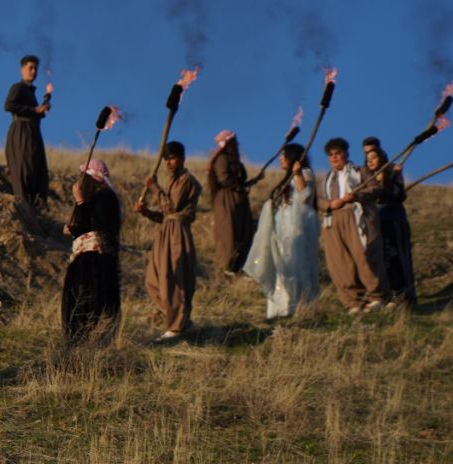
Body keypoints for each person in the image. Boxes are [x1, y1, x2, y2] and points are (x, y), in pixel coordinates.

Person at [243, 143, 321, 319]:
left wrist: (298, 174)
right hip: (283, 227)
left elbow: (306, 195)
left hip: (298, 227)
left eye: (283, 155)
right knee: (282, 265)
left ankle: (296, 306)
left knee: (297, 265)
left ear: (292, 157)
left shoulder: (305, 173)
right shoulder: (287, 178)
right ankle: (279, 309)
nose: (280, 159)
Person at [135, 141, 202, 342]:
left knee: (174, 276)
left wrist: (155, 188)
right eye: (166, 159)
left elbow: (172, 208)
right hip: (165, 231)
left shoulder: (187, 181)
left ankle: (177, 326)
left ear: (182, 158)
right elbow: (166, 215)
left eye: (172, 158)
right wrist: (146, 212)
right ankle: (179, 317)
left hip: (177, 233)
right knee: (154, 279)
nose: (168, 163)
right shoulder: (173, 181)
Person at [320, 137, 389, 313]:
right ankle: (353, 302)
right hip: (333, 220)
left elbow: (375, 188)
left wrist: (357, 196)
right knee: (340, 262)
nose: (334, 157)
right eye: (331, 155)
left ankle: (377, 297)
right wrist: (329, 205)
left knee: (366, 256)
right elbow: (316, 200)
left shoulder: (362, 171)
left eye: (338, 153)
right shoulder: (326, 180)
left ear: (346, 154)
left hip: (359, 217)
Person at [61, 159, 122, 345]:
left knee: (90, 302)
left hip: (94, 260)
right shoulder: (96, 200)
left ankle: (91, 340)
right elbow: (86, 225)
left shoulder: (105, 198)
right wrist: (74, 229)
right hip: (86, 257)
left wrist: (80, 202)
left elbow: (99, 225)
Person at [364, 144, 417, 305]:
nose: (370, 162)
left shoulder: (393, 172)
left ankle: (404, 297)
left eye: (374, 158)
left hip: (394, 221)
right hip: (377, 223)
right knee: (384, 259)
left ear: (382, 158)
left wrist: (388, 180)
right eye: (368, 160)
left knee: (398, 258)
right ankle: (388, 295)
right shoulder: (368, 177)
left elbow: (399, 196)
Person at [3, 54, 51, 205]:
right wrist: (35, 110)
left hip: (33, 132)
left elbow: (35, 113)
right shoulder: (18, 87)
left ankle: (36, 207)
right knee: (24, 168)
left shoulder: (32, 92)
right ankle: (23, 205)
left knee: (38, 170)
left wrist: (41, 110)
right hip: (21, 131)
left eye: (36, 68)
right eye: (30, 67)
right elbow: (9, 106)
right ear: (22, 70)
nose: (33, 71)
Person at [208, 129, 254, 275]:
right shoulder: (222, 159)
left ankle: (239, 266)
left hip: (238, 200)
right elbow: (224, 178)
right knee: (228, 232)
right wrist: (239, 187)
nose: (238, 145)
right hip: (227, 201)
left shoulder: (234, 160)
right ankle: (226, 266)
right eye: (235, 142)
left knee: (243, 232)